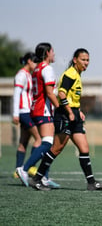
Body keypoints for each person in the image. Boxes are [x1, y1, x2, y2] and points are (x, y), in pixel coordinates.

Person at [29, 48, 102, 191]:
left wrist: (78, 111)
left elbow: (72, 97)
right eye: (83, 60)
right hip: (65, 115)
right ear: (75, 60)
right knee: (56, 149)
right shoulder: (70, 74)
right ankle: (36, 179)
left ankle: (91, 183)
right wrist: (70, 112)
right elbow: (61, 94)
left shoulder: (77, 74)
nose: (86, 63)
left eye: (88, 60)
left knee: (84, 148)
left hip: (74, 114)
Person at [16, 43, 60, 188]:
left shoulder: (36, 69)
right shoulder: (47, 68)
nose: (54, 54)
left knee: (46, 143)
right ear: (47, 53)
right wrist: (60, 108)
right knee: (47, 143)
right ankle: (24, 168)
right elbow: (48, 93)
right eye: (52, 51)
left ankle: (44, 177)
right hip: (43, 110)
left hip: (35, 109)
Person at [12, 52, 42, 177]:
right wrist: (15, 114)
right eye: (35, 62)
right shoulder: (21, 75)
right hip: (24, 112)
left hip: (28, 112)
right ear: (29, 61)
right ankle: (30, 167)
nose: (36, 64)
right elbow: (16, 94)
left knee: (23, 142)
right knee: (40, 139)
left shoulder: (29, 75)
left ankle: (17, 171)